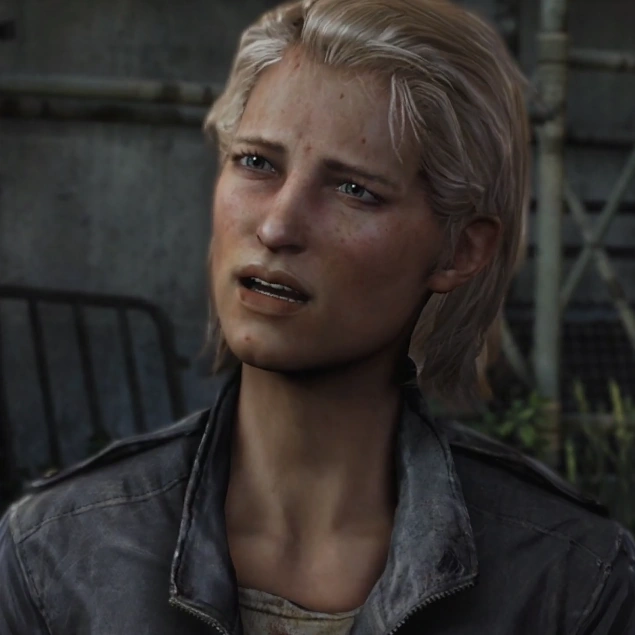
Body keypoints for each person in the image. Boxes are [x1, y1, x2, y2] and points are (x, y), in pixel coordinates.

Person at [2, 0, 634, 633]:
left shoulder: (570, 582)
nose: (277, 226)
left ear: (461, 249)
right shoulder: (55, 557)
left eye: (354, 189)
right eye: (256, 162)